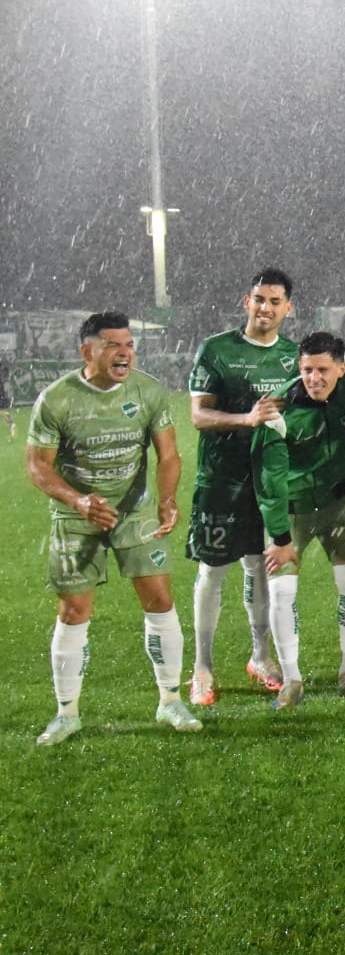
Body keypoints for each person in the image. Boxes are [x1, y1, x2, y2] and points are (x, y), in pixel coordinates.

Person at [28, 312, 201, 745]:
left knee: (160, 599)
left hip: (136, 511)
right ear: (86, 351)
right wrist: (79, 501)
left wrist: (165, 499)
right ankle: (67, 713)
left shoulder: (148, 391)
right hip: (76, 515)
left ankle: (170, 701)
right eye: (112, 345)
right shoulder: (56, 399)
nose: (125, 352)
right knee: (73, 611)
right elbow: (38, 467)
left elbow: (170, 455)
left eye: (129, 344)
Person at [186, 268, 299, 706]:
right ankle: (202, 667)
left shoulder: (293, 357)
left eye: (274, 301)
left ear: (288, 308)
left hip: (267, 485)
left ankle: (260, 656)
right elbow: (199, 415)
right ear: (246, 302)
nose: (265, 308)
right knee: (212, 572)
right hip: (219, 481)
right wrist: (245, 420)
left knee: (259, 569)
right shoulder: (216, 349)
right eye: (258, 299)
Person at [251, 331, 345, 706]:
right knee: (282, 592)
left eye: (323, 369)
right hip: (291, 512)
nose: (314, 378)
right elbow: (269, 480)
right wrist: (280, 538)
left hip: (342, 504)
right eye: (307, 370)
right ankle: (291, 680)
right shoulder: (279, 408)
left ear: (341, 368)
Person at [0, 352, 16, 437]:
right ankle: (11, 423)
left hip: (1, 393)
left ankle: (11, 424)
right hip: (3, 393)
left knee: (0, 411)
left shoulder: (3, 373)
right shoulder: (4, 371)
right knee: (1, 411)